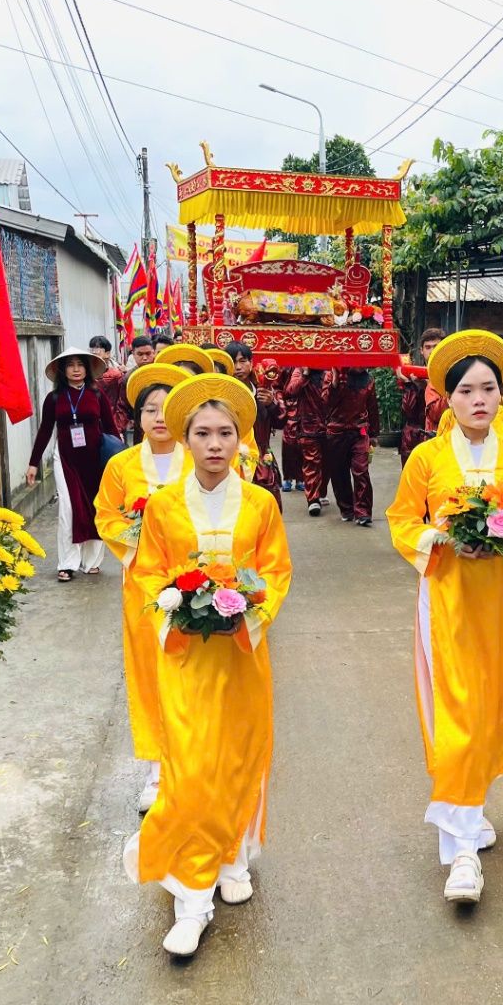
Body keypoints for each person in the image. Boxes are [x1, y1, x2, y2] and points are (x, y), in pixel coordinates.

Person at [123, 373, 293, 956]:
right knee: (192, 767)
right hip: (186, 658)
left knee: (240, 757)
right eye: (203, 433)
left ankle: (234, 855)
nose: (214, 443)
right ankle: (192, 898)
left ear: (240, 439)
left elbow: (275, 572)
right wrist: (178, 612)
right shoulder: (165, 506)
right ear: (186, 438)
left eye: (225, 433)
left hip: (243, 656)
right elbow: (147, 572)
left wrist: (245, 612)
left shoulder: (263, 503)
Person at [386, 331, 503, 905]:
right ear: (447, 399)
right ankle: (461, 854)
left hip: (500, 604)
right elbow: (402, 520)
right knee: (456, 716)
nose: (481, 399)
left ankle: (471, 810)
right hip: (447, 603)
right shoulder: (428, 458)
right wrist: (444, 537)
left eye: (490, 390)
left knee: (492, 708)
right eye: (467, 390)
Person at [94, 362, 192, 813]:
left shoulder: (199, 458)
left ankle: (191, 763)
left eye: (166, 409)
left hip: (194, 579)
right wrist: (139, 545)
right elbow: (107, 516)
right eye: (149, 409)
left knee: (193, 669)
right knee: (150, 671)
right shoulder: (121, 465)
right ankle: (156, 770)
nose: (157, 418)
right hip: (143, 584)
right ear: (136, 417)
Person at [27, 348, 120, 582]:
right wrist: (33, 463)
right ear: (63, 370)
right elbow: (45, 430)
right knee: (68, 510)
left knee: (95, 507)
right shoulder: (55, 398)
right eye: (71, 365)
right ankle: (67, 563)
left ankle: (91, 562)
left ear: (87, 369)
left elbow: (111, 428)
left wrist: (121, 462)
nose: (76, 369)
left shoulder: (97, 395)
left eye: (80, 365)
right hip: (66, 458)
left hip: (95, 460)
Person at [227, 341, 284, 510]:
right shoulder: (224, 392)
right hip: (232, 457)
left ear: (251, 363)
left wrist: (271, 404)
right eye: (233, 361)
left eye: (243, 361)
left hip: (262, 456)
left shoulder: (264, 389)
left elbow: (281, 422)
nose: (238, 367)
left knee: (267, 507)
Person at [325, 367, 380, 527]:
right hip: (336, 431)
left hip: (359, 431)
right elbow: (326, 403)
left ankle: (363, 512)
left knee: (361, 470)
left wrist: (374, 433)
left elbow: (372, 406)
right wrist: (334, 383)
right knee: (339, 472)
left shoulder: (368, 380)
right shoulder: (332, 374)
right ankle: (347, 508)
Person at [285, 367, 332, 516]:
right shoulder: (299, 371)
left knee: (327, 465)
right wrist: (305, 375)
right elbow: (290, 391)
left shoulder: (329, 372)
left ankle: (320, 492)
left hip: (330, 427)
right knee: (311, 463)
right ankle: (313, 500)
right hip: (308, 427)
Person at [397, 327, 444, 466]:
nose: (432, 351)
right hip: (414, 436)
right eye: (428, 347)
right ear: (421, 351)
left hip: (440, 435)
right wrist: (411, 385)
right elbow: (408, 411)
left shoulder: (450, 375)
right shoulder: (414, 375)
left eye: (436, 346)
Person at [90, 334, 131, 441]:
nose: (93, 354)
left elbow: (121, 404)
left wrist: (118, 427)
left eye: (97, 352)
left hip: (113, 423)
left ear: (107, 354)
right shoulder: (86, 375)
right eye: (92, 351)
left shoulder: (116, 376)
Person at [277, 367, 306, 493]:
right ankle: (288, 478)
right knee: (288, 445)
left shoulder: (307, 365)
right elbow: (278, 387)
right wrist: (282, 405)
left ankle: (301, 479)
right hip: (289, 409)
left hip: (306, 408)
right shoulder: (285, 366)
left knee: (303, 446)